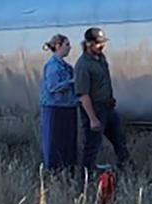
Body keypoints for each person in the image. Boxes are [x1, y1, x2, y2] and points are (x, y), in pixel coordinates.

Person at [75, 27, 130, 173]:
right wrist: (92, 119)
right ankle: (85, 177)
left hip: (108, 108)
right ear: (89, 44)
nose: (102, 46)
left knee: (119, 140)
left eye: (103, 42)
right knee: (92, 145)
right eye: (98, 43)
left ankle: (126, 168)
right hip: (95, 109)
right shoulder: (83, 66)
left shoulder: (101, 58)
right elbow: (83, 95)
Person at [39, 34, 78, 171]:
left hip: (67, 107)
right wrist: (71, 82)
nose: (69, 48)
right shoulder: (53, 66)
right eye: (66, 45)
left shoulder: (67, 67)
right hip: (55, 107)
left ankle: (67, 168)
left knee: (67, 142)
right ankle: (54, 169)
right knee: (55, 141)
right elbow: (53, 87)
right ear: (58, 46)